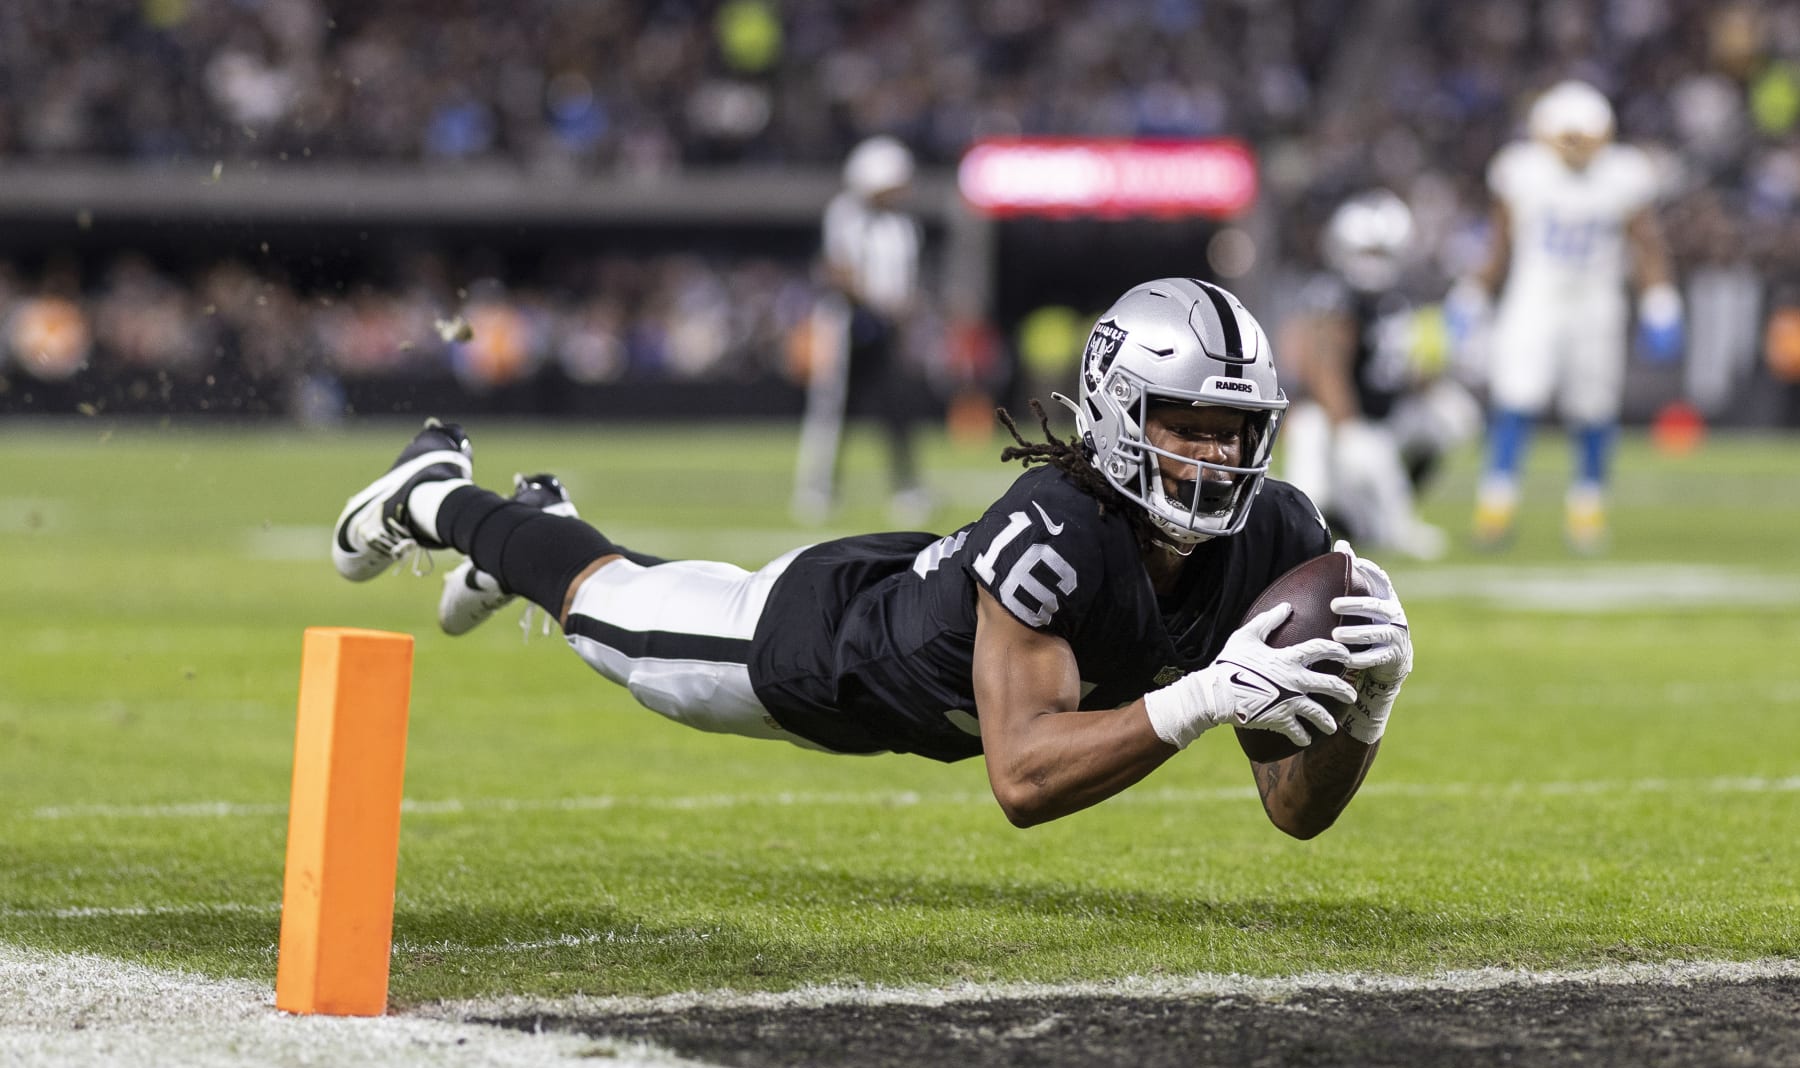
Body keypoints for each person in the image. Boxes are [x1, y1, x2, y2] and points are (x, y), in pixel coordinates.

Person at [333, 279, 1414, 836]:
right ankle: (438, 493)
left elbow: (1293, 811)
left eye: (1235, 430)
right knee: (619, 623)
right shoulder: (1060, 531)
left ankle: (536, 524)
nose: (1218, 456)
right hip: (834, 650)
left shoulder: (1275, 533)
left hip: (929, 606)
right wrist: (1201, 701)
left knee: (632, 590)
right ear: (1124, 414)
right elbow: (1024, 778)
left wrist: (1365, 707)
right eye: (1190, 424)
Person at [1451, 79, 1683, 553]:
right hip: (1535, 297)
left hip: (1597, 301)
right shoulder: (1522, 171)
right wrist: (1472, 294)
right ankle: (1496, 507)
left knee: (1595, 409)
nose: (1577, 148)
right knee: (1516, 399)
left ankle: (1587, 511)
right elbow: (1501, 244)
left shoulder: (1624, 174)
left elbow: (1647, 243)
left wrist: (1661, 299)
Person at [1279, 189, 1481, 561]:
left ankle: (1379, 520)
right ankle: (1317, 526)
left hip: (1385, 416)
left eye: (1381, 253)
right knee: (1318, 483)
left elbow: (1408, 367)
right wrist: (1348, 425)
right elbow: (1324, 367)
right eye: (1366, 253)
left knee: (1454, 415)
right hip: (1330, 420)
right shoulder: (1333, 294)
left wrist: (1429, 372)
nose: (1373, 263)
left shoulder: (1405, 295)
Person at [791, 135, 930, 526]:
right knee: (832, 409)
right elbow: (838, 270)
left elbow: (905, 282)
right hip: (846, 323)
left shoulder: (902, 227)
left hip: (885, 328)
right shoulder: (845, 214)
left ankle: (907, 487)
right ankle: (817, 487)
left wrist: (902, 310)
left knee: (896, 407)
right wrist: (878, 300)